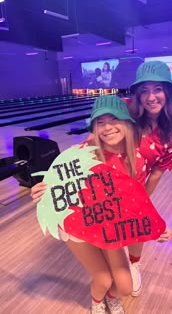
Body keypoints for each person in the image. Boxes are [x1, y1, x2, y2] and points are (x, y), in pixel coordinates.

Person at [31, 95, 148, 314]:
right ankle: (97, 302)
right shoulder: (79, 154)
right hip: (76, 225)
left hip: (107, 224)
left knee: (124, 286)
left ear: (127, 123)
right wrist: (41, 193)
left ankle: (112, 298)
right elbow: (56, 187)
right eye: (100, 122)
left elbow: (137, 203)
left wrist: (157, 227)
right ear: (94, 127)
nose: (108, 127)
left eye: (114, 119)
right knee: (103, 279)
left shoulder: (137, 161)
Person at [125, 60, 172, 297]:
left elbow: (158, 170)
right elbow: (95, 138)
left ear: (168, 92)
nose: (151, 97)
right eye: (144, 91)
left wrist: (143, 199)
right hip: (106, 183)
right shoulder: (123, 109)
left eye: (157, 89)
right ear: (137, 95)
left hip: (135, 186)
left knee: (136, 227)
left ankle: (133, 263)